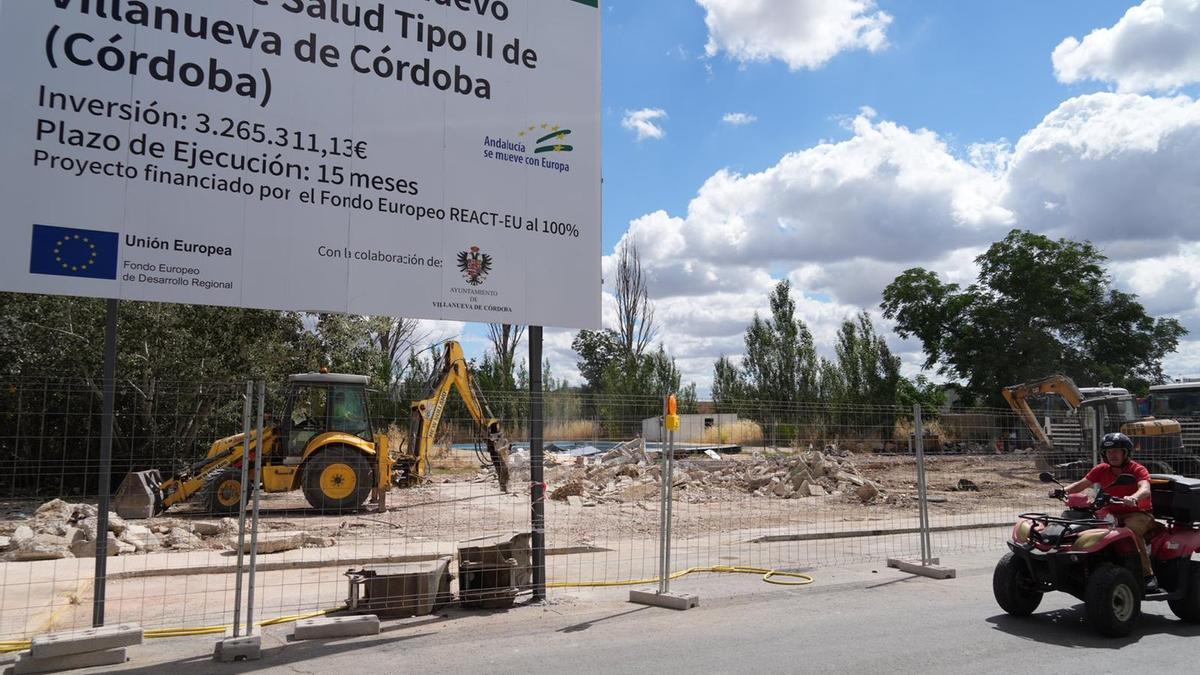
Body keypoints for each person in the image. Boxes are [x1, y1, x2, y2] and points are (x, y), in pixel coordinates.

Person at [1060, 432, 1158, 591]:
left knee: (1129, 532)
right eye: (1109, 452)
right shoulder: (1101, 469)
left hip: (1138, 513)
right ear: (1104, 454)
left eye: (1117, 451)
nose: (1112, 455)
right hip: (1110, 512)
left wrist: (1134, 497)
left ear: (1126, 453)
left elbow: (1145, 489)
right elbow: (1081, 484)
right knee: (1086, 527)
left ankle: (1147, 575)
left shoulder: (1137, 469)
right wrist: (1062, 491)